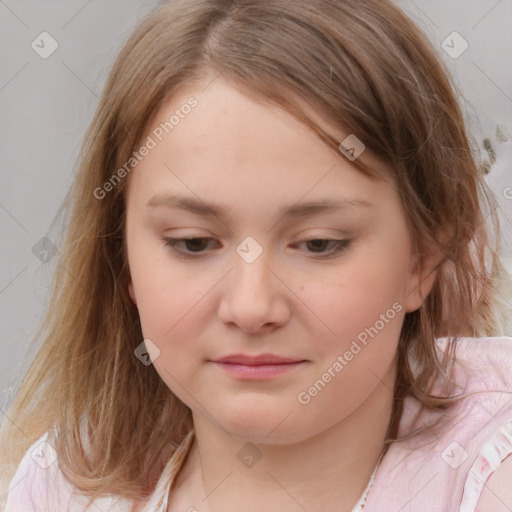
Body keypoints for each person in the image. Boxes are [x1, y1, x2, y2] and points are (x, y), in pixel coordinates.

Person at [1, 1, 512, 511]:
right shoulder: (60, 488)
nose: (251, 307)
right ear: (123, 258)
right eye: (193, 243)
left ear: (422, 258)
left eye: (318, 244)